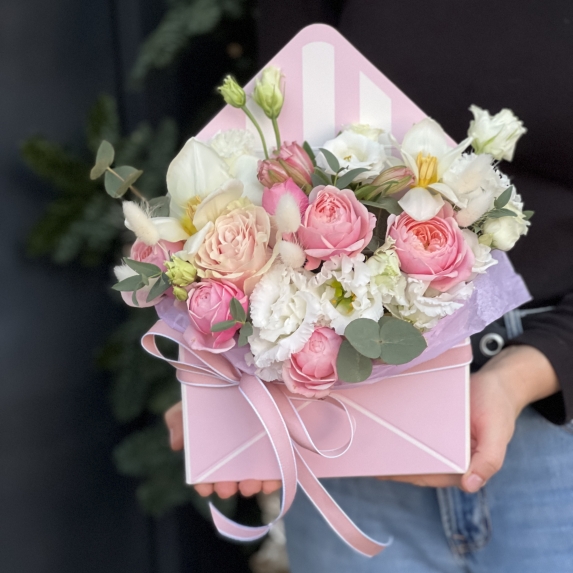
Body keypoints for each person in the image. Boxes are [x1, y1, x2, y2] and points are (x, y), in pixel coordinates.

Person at [165, 1, 573, 570]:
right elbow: (265, 174)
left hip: (556, 432)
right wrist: (227, 371)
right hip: (344, 433)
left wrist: (521, 375)